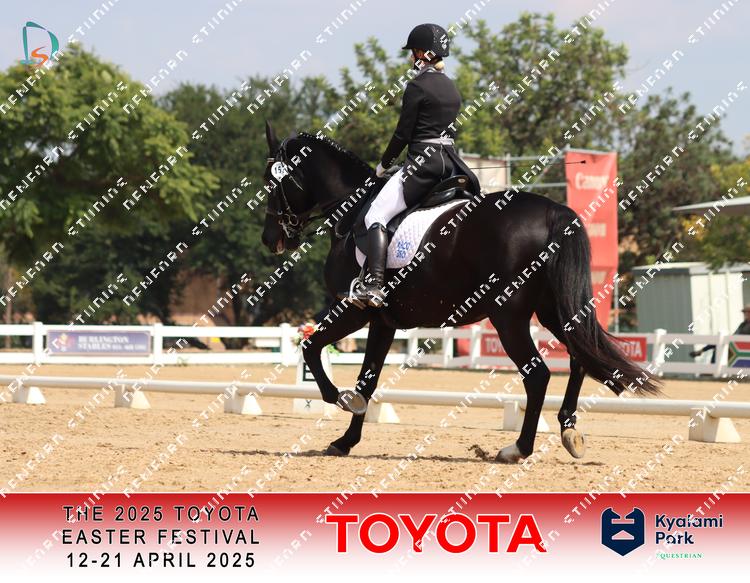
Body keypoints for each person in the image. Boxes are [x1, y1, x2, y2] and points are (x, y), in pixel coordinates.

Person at [354, 23, 480, 307]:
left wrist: (383, 165)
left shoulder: (417, 86)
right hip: (451, 164)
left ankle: (374, 284)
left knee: (375, 215)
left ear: (423, 53)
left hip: (423, 165)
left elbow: (403, 134)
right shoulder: (452, 88)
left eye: (414, 52)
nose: (412, 57)